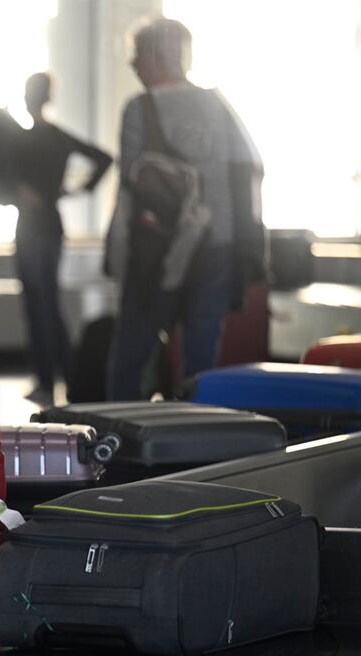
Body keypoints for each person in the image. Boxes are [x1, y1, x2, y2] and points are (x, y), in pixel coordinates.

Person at [105, 17, 264, 400]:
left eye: (138, 54)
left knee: (131, 355)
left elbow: (131, 186)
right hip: (217, 243)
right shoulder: (217, 104)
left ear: (160, 56)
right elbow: (250, 167)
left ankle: (115, 442)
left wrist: (116, 257)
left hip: (157, 252)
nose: (133, 63)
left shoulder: (138, 109)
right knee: (201, 355)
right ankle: (197, 443)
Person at [15, 72, 112, 404]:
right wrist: (73, 190)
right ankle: (67, 373)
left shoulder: (24, 139)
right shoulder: (56, 137)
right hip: (52, 223)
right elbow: (103, 159)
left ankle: (47, 376)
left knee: (37, 302)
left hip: (31, 226)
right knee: (48, 301)